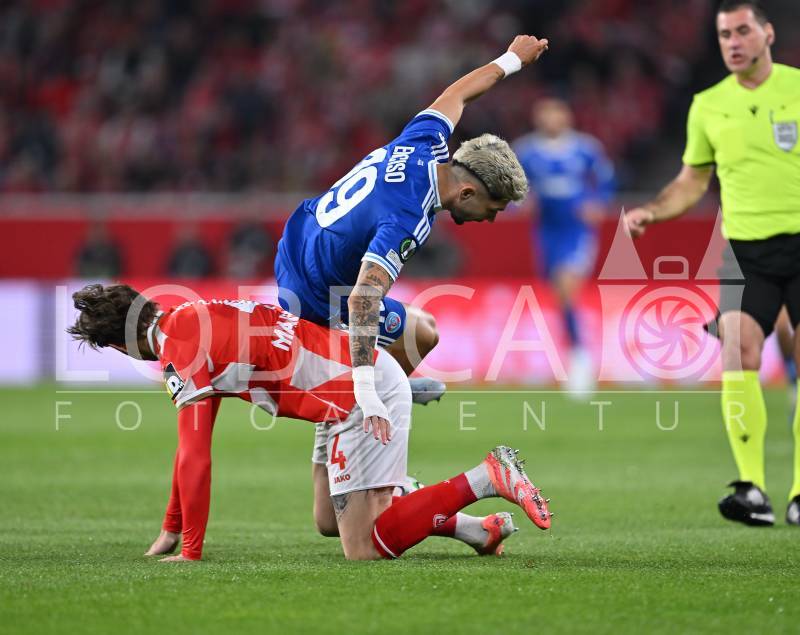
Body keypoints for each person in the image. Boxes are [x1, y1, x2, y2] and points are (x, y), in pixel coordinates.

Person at [67, 283, 551, 561]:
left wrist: (190, 550)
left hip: (354, 398)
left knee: (363, 546)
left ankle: (487, 476)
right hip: (341, 389)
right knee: (327, 520)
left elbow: (195, 456)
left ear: (120, 346)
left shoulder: (179, 350)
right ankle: (477, 531)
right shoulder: (192, 314)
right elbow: (192, 446)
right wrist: (172, 528)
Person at [274, 34, 548, 427]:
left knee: (419, 333)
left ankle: (381, 389)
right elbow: (364, 299)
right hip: (315, 298)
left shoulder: (425, 143)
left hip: (296, 242)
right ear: (467, 192)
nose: (489, 220)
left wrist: (511, 60)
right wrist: (367, 390)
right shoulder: (409, 215)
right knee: (410, 345)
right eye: (493, 209)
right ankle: (359, 405)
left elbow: (458, 95)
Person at [624, 0, 800, 526]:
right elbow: (692, 180)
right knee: (738, 347)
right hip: (746, 252)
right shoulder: (708, 104)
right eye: (725, 34)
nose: (733, 43)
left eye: (743, 31)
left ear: (768, 33)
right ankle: (752, 489)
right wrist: (653, 211)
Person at [513, 97, 614, 396]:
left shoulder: (585, 148)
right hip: (546, 231)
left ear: (567, 116)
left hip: (576, 230)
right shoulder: (526, 151)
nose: (551, 119)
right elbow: (513, 187)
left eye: (556, 113)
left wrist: (598, 203)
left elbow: (606, 179)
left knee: (567, 286)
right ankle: (574, 350)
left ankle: (580, 359)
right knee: (559, 293)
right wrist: (521, 203)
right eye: (545, 114)